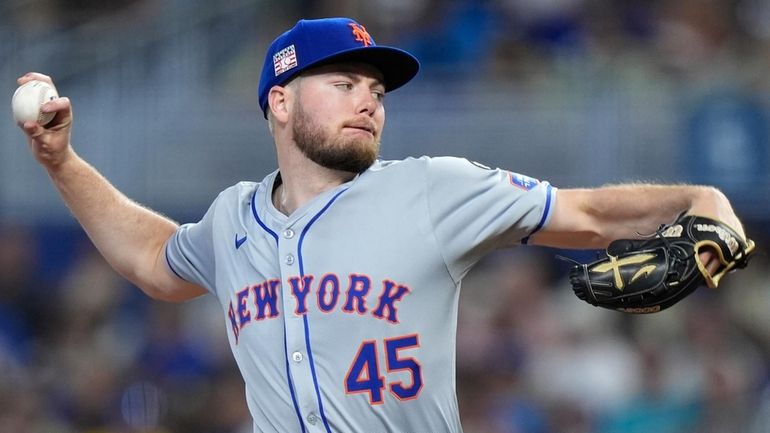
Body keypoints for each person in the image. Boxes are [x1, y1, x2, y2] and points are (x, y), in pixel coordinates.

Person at [17, 16, 748, 433]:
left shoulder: (432, 188)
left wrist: (701, 200)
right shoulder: (233, 217)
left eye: (376, 89)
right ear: (279, 102)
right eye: (343, 84)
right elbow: (152, 257)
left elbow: (586, 214)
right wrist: (61, 161)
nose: (369, 101)